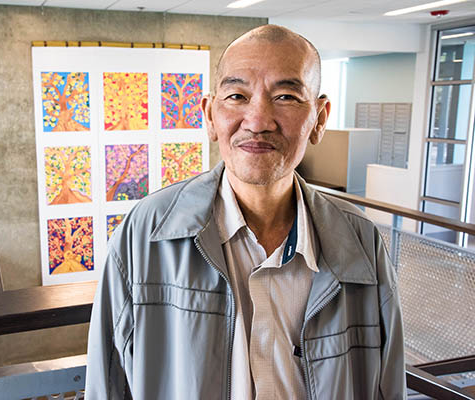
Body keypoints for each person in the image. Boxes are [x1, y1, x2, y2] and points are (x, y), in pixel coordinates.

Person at [85, 24, 406, 399]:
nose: (257, 121)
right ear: (209, 115)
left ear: (319, 119)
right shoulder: (145, 234)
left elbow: (386, 384)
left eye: (285, 97)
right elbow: (107, 382)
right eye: (237, 95)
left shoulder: (359, 240)